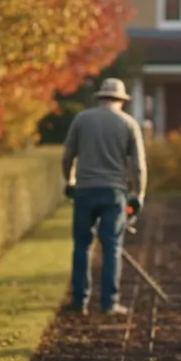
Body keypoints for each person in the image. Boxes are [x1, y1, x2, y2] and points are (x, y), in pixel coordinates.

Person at [61, 78, 147, 315]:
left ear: (100, 98)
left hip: (85, 191)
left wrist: (69, 181)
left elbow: (68, 155)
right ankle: (109, 303)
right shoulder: (129, 123)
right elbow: (138, 165)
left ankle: (80, 301)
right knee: (112, 247)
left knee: (82, 246)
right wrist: (138, 195)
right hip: (113, 193)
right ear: (121, 100)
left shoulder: (82, 119)